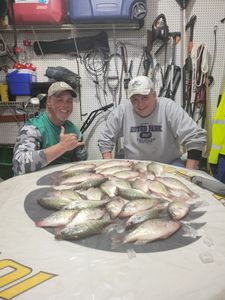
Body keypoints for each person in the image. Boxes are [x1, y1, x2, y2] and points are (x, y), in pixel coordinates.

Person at [98, 75, 207, 170]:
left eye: (145, 98)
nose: (140, 104)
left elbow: (195, 137)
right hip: (133, 166)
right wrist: (109, 167)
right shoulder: (122, 110)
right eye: (135, 100)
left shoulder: (168, 107)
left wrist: (189, 173)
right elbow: (105, 139)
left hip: (169, 164)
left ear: (154, 95)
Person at [13, 81, 87, 175]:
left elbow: (81, 163)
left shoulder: (74, 131)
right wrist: (61, 147)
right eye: (59, 100)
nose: (65, 105)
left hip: (61, 183)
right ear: (48, 102)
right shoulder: (33, 128)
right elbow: (19, 165)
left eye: (69, 101)